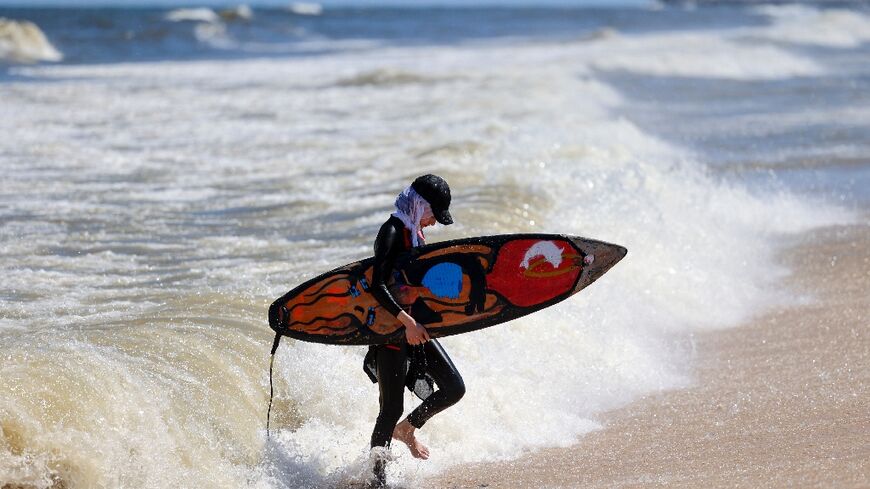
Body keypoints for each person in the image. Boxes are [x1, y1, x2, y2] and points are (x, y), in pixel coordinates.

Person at [364, 174, 466, 487]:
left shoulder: (414, 232)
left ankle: (407, 429)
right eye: (433, 214)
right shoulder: (393, 231)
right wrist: (406, 323)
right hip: (392, 332)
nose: (434, 222)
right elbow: (376, 285)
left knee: (454, 388)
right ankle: (377, 481)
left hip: (413, 328)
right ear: (419, 205)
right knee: (390, 408)